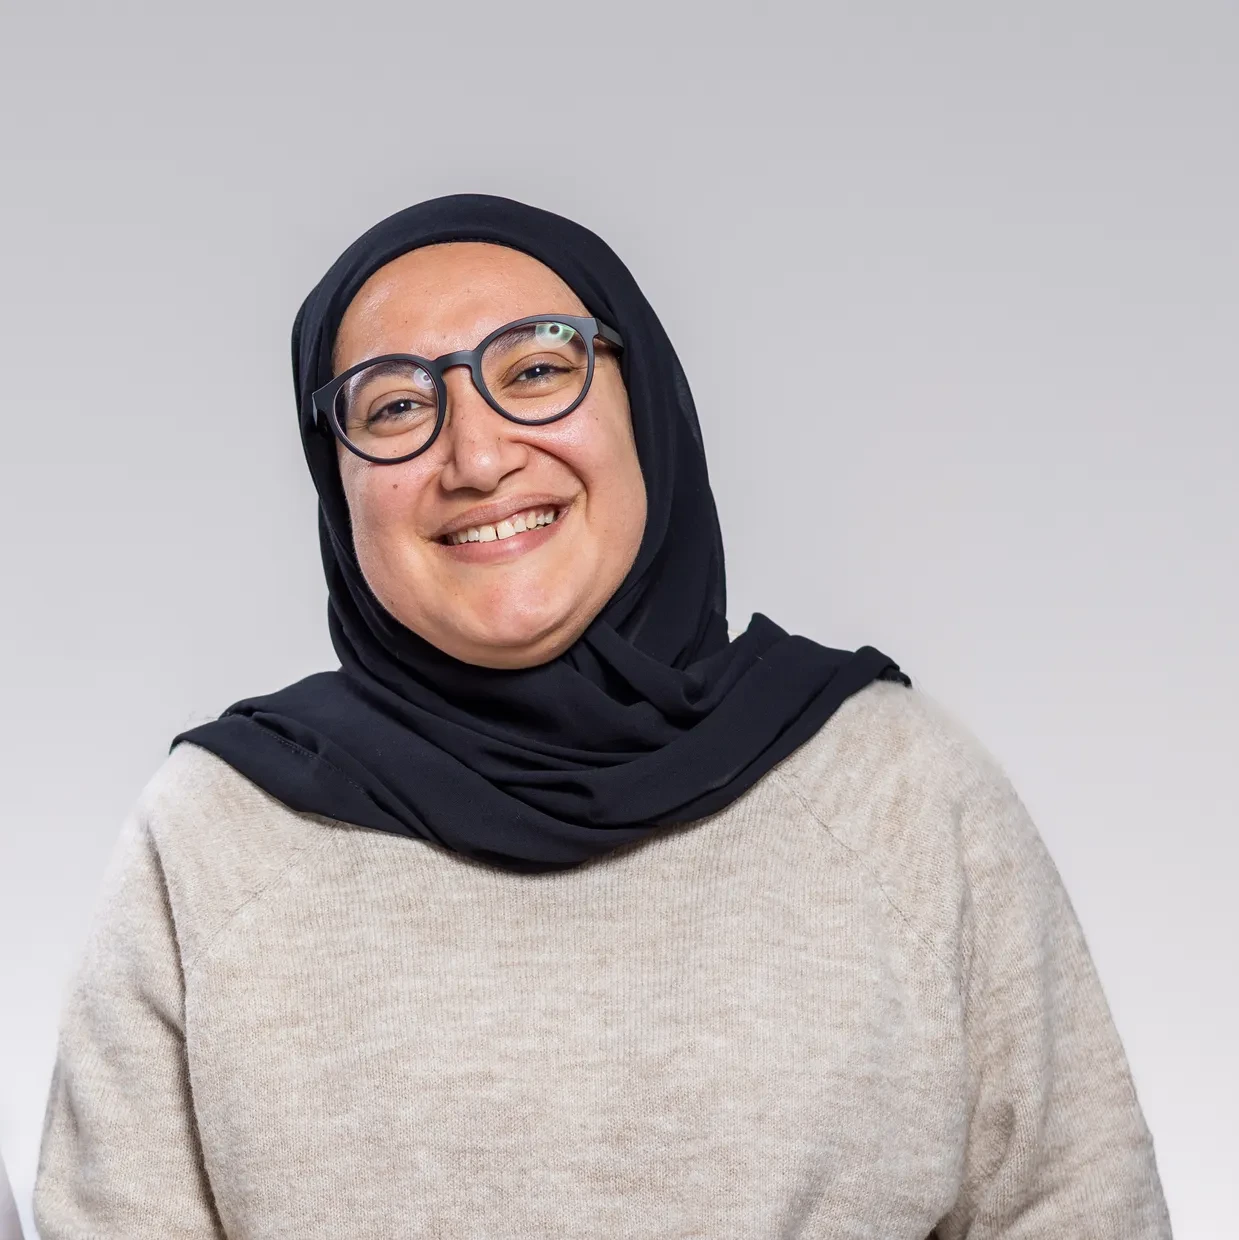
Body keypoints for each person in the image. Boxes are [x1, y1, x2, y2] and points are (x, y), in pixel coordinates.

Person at [33, 195, 1171, 1238]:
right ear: (336, 482)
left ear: (647, 405)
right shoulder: (216, 841)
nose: (476, 456)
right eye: (397, 405)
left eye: (535, 370)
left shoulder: (896, 792)